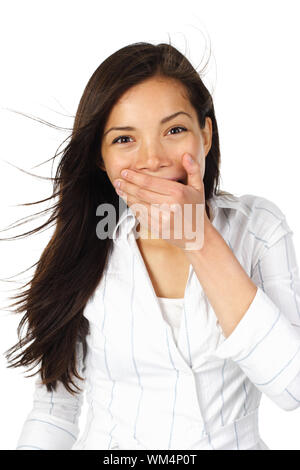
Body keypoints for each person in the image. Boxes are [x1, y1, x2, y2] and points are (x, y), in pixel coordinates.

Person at [3, 41, 300, 450]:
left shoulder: (260, 229)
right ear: (101, 159)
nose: (153, 159)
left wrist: (200, 240)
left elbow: (292, 387)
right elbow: (53, 414)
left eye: (174, 130)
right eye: (124, 139)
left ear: (206, 135)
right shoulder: (84, 248)